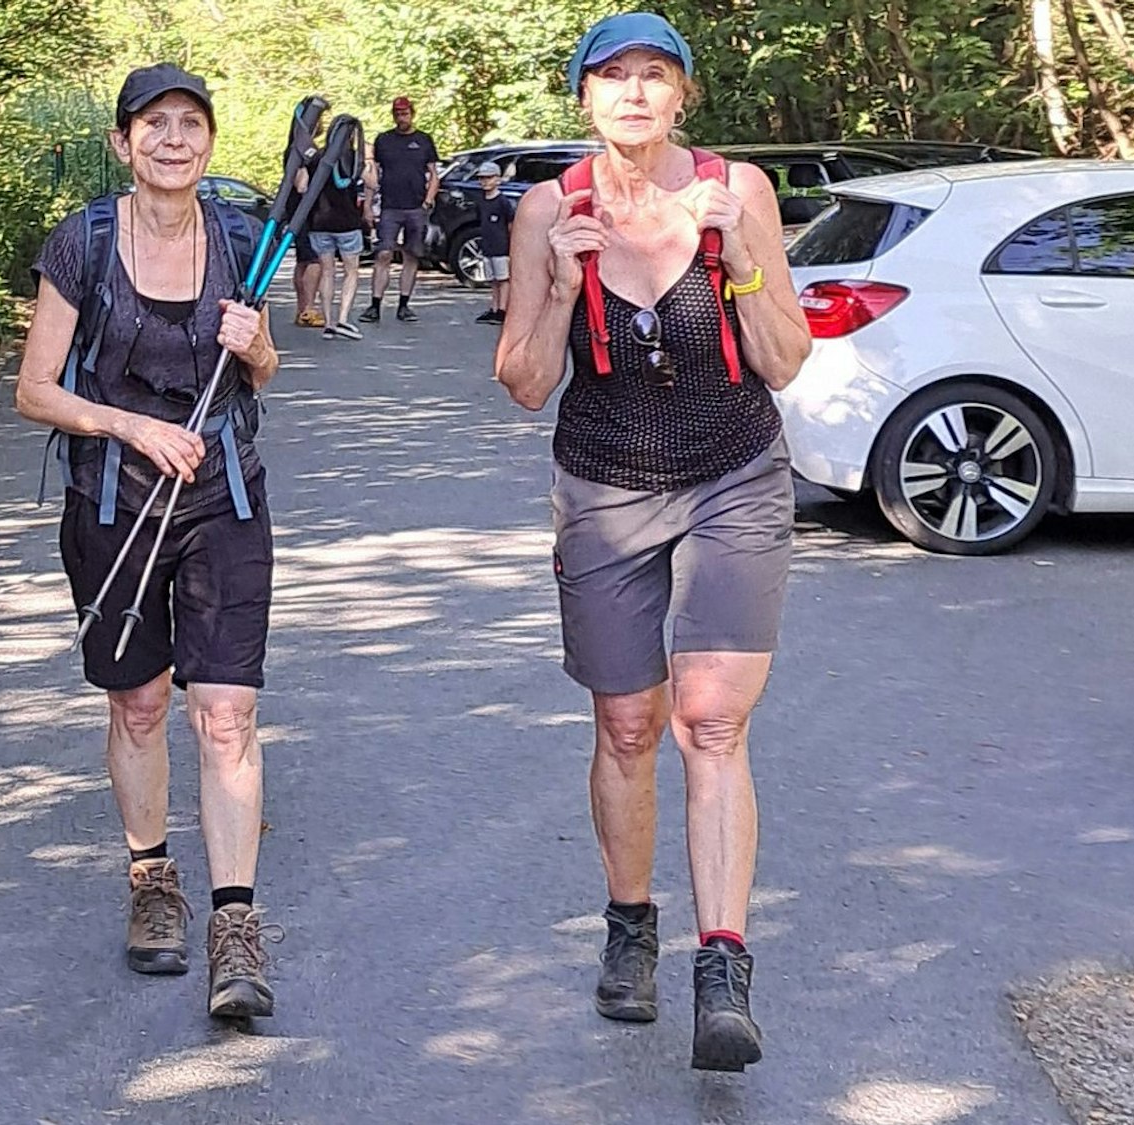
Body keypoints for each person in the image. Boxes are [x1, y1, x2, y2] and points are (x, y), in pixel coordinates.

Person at [492, 13, 811, 1072]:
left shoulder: (739, 192)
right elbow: (526, 381)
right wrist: (547, 283)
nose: (633, 92)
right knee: (627, 725)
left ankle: (720, 969)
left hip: (731, 470)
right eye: (612, 76)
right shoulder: (548, 209)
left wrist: (744, 259)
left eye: (654, 75)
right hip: (604, 482)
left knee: (707, 722)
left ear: (682, 95)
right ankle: (630, 926)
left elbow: (785, 360)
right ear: (582, 96)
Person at [14, 63, 285, 1021]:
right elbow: (35, 389)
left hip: (224, 500)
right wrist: (131, 428)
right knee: (138, 703)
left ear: (209, 143)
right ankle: (151, 881)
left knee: (226, 713)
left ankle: (236, 924)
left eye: (191, 124)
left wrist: (255, 345)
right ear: (124, 144)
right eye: (153, 125)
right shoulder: (83, 241)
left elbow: (266, 369)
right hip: (115, 503)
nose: (174, 139)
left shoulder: (243, 238)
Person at [361, 96, 439, 324]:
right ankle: (375, 305)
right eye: (397, 113)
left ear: (412, 114)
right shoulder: (384, 140)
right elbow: (373, 173)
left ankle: (404, 304)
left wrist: (428, 201)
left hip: (416, 207)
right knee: (383, 254)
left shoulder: (424, 140)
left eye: (405, 113)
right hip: (390, 207)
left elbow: (434, 173)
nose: (401, 117)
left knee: (411, 255)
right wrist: (368, 204)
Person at [297, 132, 369, 339]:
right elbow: (372, 182)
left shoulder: (317, 157)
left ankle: (328, 323)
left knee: (327, 272)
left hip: (320, 223)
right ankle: (343, 319)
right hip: (348, 223)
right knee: (351, 272)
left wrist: (302, 165)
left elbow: (301, 187)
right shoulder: (353, 157)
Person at [473, 164, 516, 324]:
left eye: (489, 177)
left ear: (497, 179)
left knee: (503, 278)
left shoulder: (502, 201)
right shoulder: (482, 201)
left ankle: (503, 310)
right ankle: (494, 307)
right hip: (488, 246)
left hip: (501, 246)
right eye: (482, 178)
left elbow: (510, 223)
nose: (485, 181)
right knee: (493, 280)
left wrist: (511, 244)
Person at [294, 228, 325, 328]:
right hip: (310, 222)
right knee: (314, 261)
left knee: (302, 261)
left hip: (298, 220)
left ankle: (302, 309)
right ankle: (308, 310)